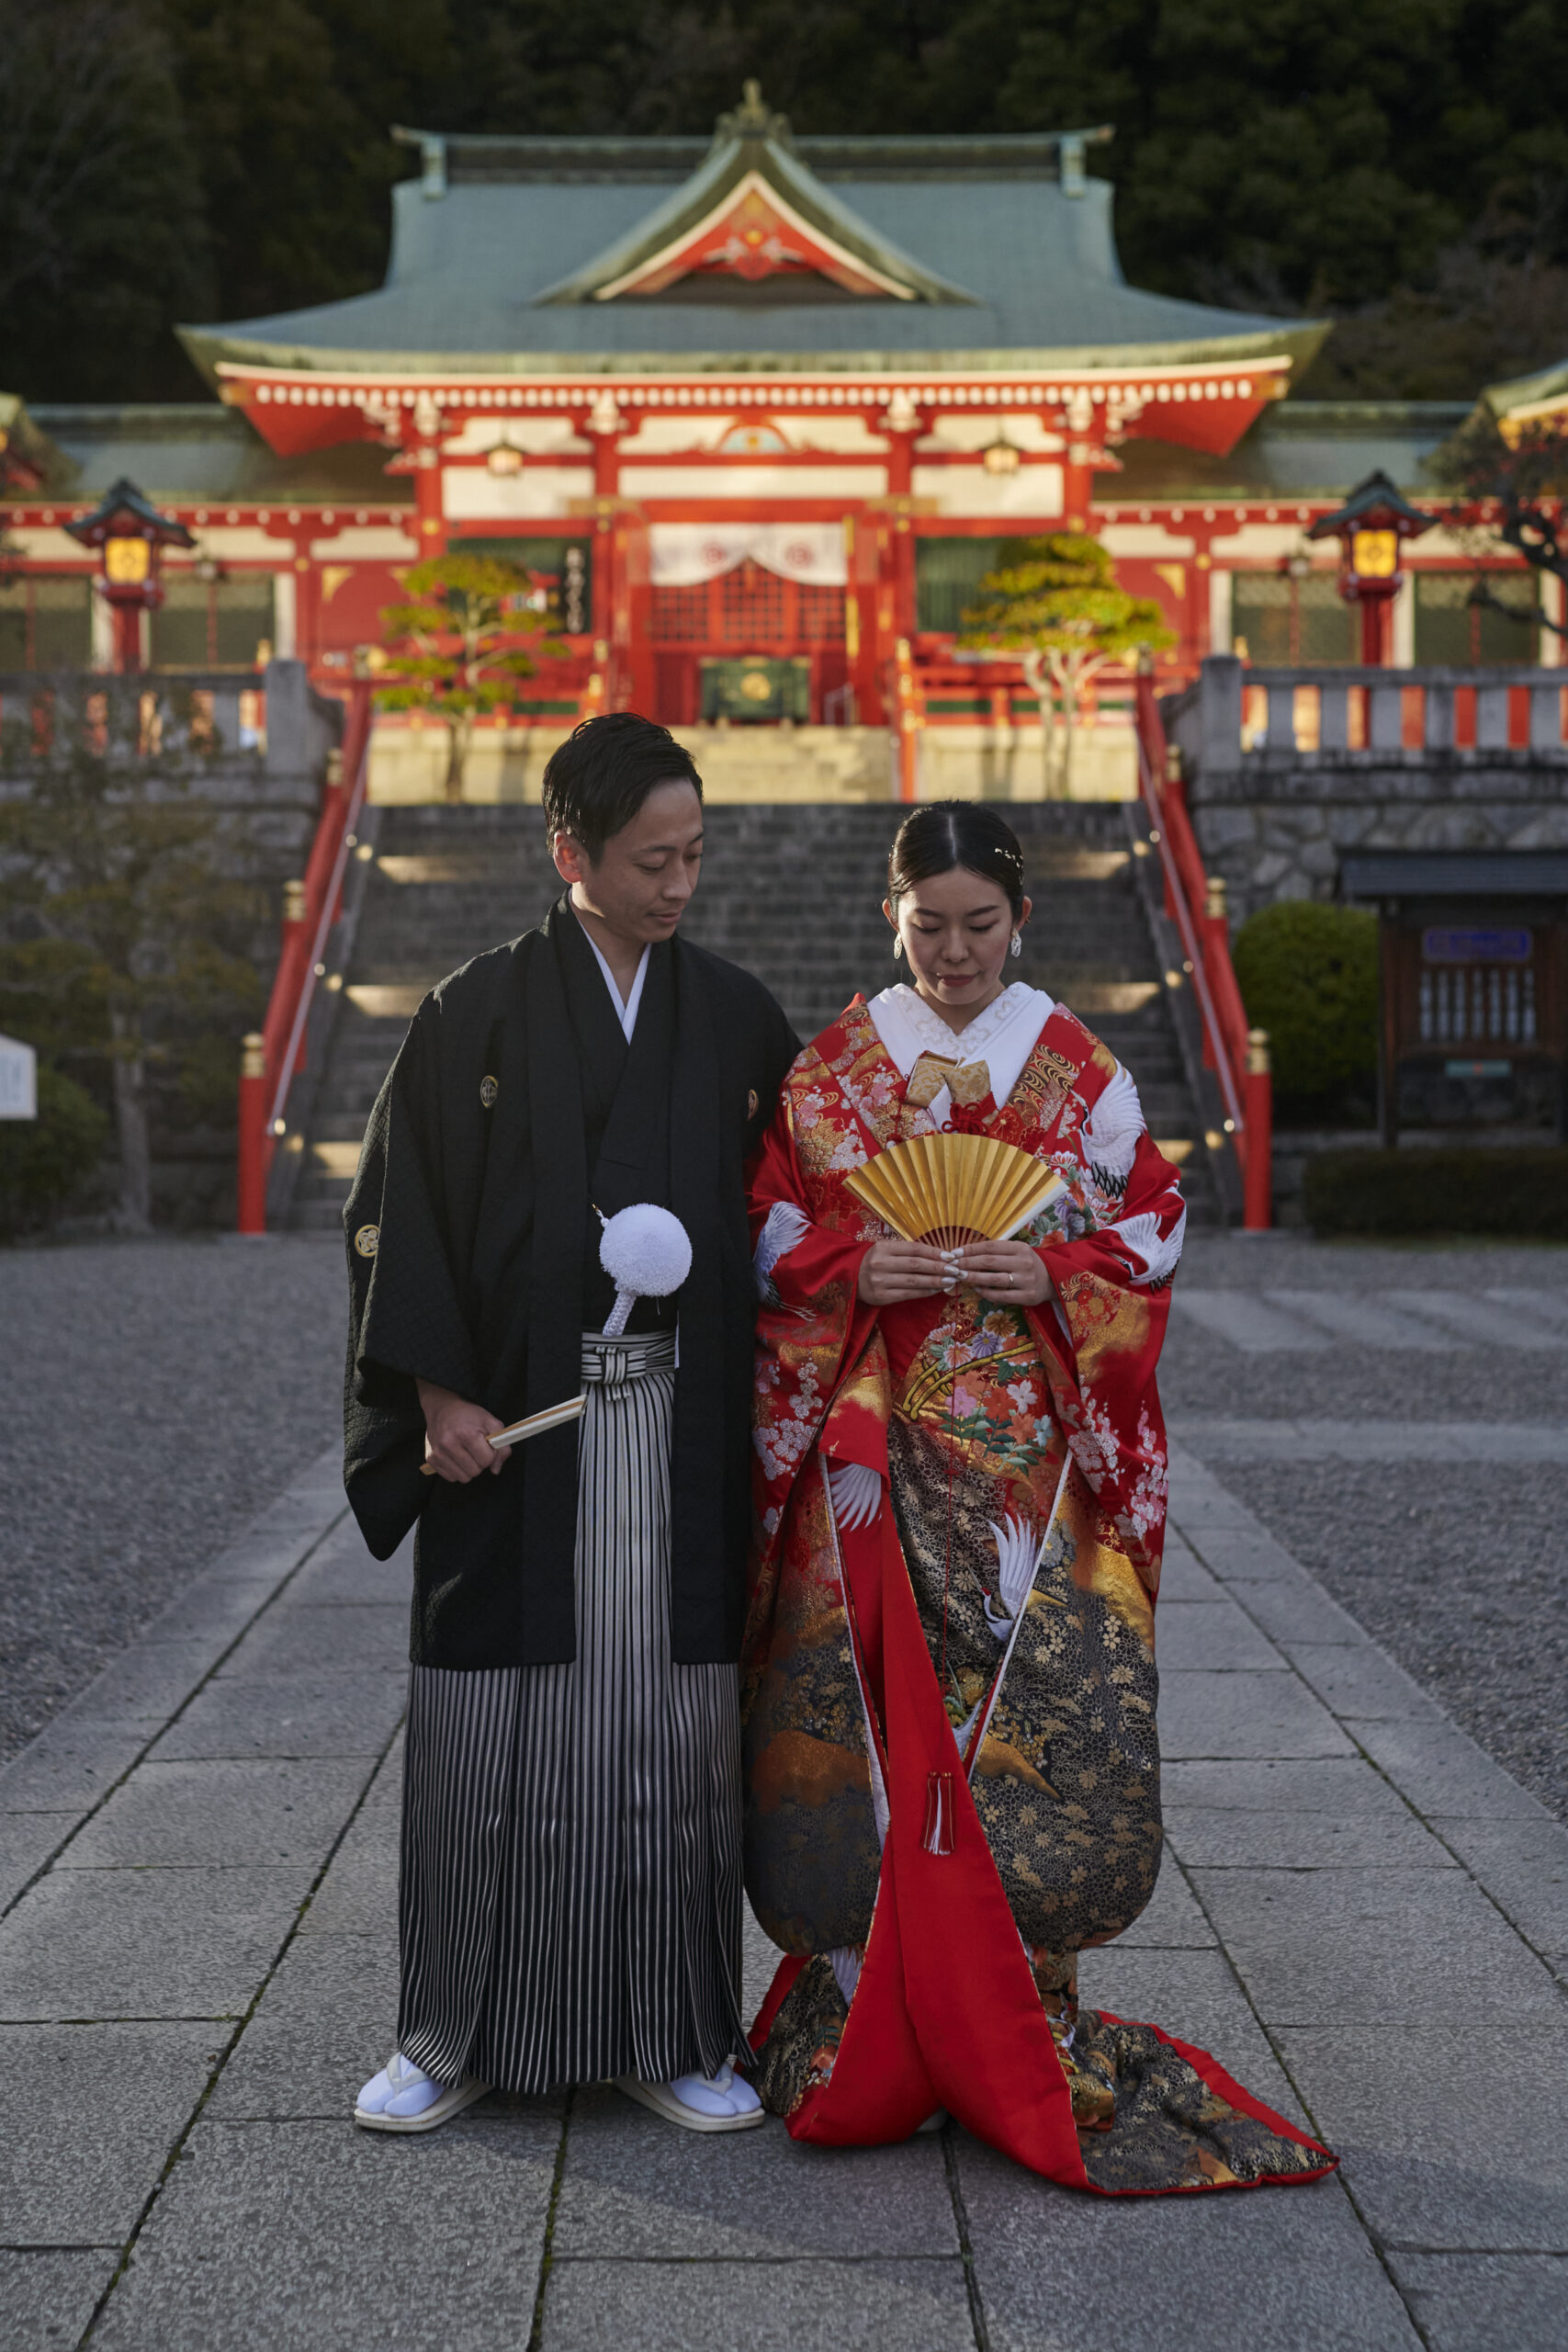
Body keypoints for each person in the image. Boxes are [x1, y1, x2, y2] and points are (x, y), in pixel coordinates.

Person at [741, 802, 1336, 2195]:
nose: (954, 952)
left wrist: (1052, 1270)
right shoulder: (830, 1070)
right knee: (869, 1707)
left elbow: (1154, 1221)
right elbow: (765, 1222)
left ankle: (1027, 2002)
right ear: (891, 917)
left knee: (1026, 1719)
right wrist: (850, 1264)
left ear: (1022, 920)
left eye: (981, 924)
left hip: (1031, 1463)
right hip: (872, 1453)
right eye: (928, 925)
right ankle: (860, 1998)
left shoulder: (1076, 1067)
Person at [342, 712, 797, 2134]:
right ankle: (453, 2031)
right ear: (570, 853)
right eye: (652, 860)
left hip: (683, 1440)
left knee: (669, 1740)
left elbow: (795, 1215)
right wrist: (435, 1396)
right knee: (492, 1738)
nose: (679, 884)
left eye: (694, 855)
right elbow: (397, 1214)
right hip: (512, 1444)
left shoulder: (735, 1017)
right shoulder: (472, 1011)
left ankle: (673, 2033)